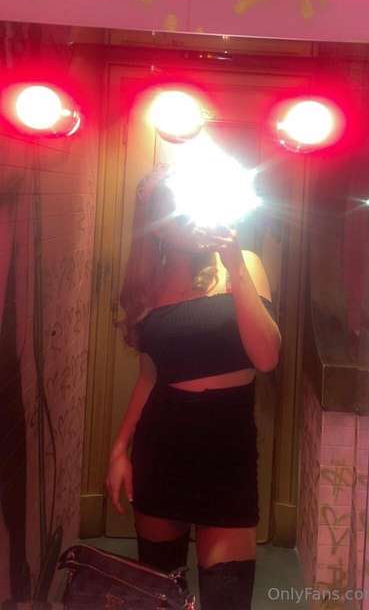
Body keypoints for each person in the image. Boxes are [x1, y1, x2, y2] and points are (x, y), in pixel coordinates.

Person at [105, 166, 282, 610]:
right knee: (160, 595)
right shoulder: (147, 290)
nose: (187, 216)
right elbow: (150, 376)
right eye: (172, 208)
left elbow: (266, 357)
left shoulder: (244, 264)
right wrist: (120, 449)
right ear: (156, 226)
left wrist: (234, 263)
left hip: (227, 452)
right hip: (161, 449)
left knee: (228, 598)